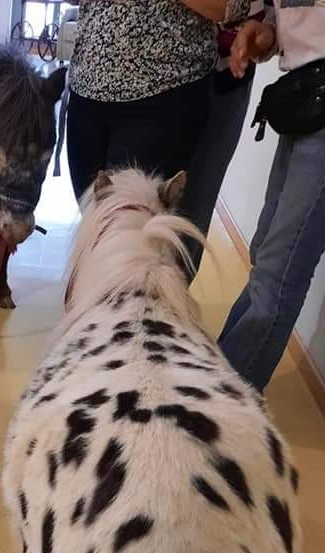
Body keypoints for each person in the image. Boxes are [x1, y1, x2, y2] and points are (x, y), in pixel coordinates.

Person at [219, 1, 325, 391]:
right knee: (266, 253)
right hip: (306, 93)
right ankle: (223, 387)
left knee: (279, 272)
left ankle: (225, 403)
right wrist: (267, 32)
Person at [66, 1, 253, 201]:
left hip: (161, 94)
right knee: (93, 220)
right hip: (86, 90)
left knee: (134, 223)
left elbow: (231, 7)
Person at [182, 1, 266, 273]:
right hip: (158, 74)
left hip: (227, 74)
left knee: (196, 204)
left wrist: (267, 30)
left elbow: (240, 8)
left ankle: (169, 300)